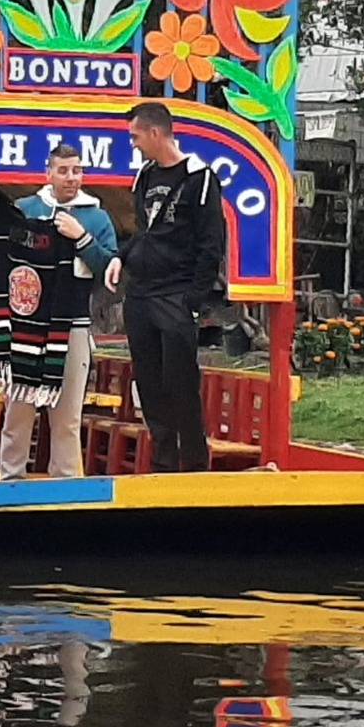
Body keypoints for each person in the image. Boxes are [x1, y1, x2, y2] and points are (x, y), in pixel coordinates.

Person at [0, 144, 119, 479]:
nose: (71, 178)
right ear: (48, 173)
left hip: (73, 324)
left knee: (67, 417)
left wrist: (81, 237)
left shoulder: (97, 217)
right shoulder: (27, 208)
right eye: (63, 170)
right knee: (18, 412)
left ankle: (65, 489)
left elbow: (110, 268)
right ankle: (10, 482)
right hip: (26, 326)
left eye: (77, 170)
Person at [104, 102, 225, 473]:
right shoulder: (145, 176)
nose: (134, 144)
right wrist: (121, 257)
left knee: (180, 381)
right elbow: (145, 232)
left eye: (136, 136)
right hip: (141, 292)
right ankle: (163, 463)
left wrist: (194, 300)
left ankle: (194, 463)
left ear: (155, 133)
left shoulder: (199, 178)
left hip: (177, 293)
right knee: (150, 382)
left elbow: (210, 244)